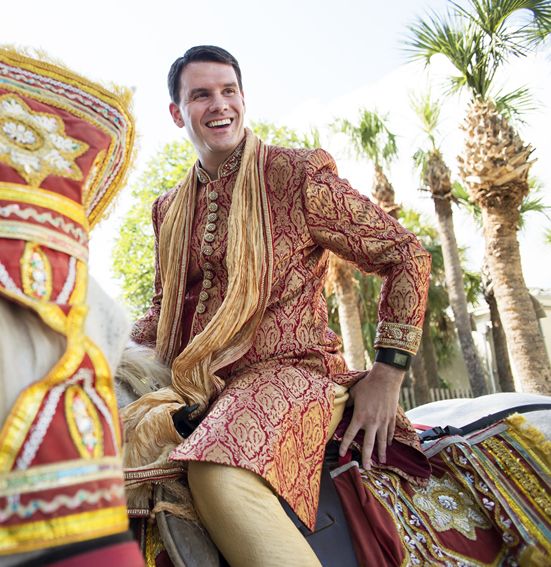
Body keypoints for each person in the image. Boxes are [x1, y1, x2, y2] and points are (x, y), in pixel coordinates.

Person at [123, 45, 431, 567]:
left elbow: (405, 256)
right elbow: (164, 310)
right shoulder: (169, 209)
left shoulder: (293, 174)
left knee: (218, 473)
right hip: (200, 384)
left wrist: (388, 374)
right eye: (201, 95)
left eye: (228, 91)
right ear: (178, 114)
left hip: (293, 373)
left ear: (243, 98)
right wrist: (105, 353)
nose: (219, 104)